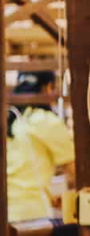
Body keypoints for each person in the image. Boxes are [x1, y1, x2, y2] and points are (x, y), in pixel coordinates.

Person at [7, 72, 74, 222]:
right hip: (32, 216)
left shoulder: (10, 122)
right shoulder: (45, 121)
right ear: (49, 89)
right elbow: (75, 171)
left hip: (7, 215)